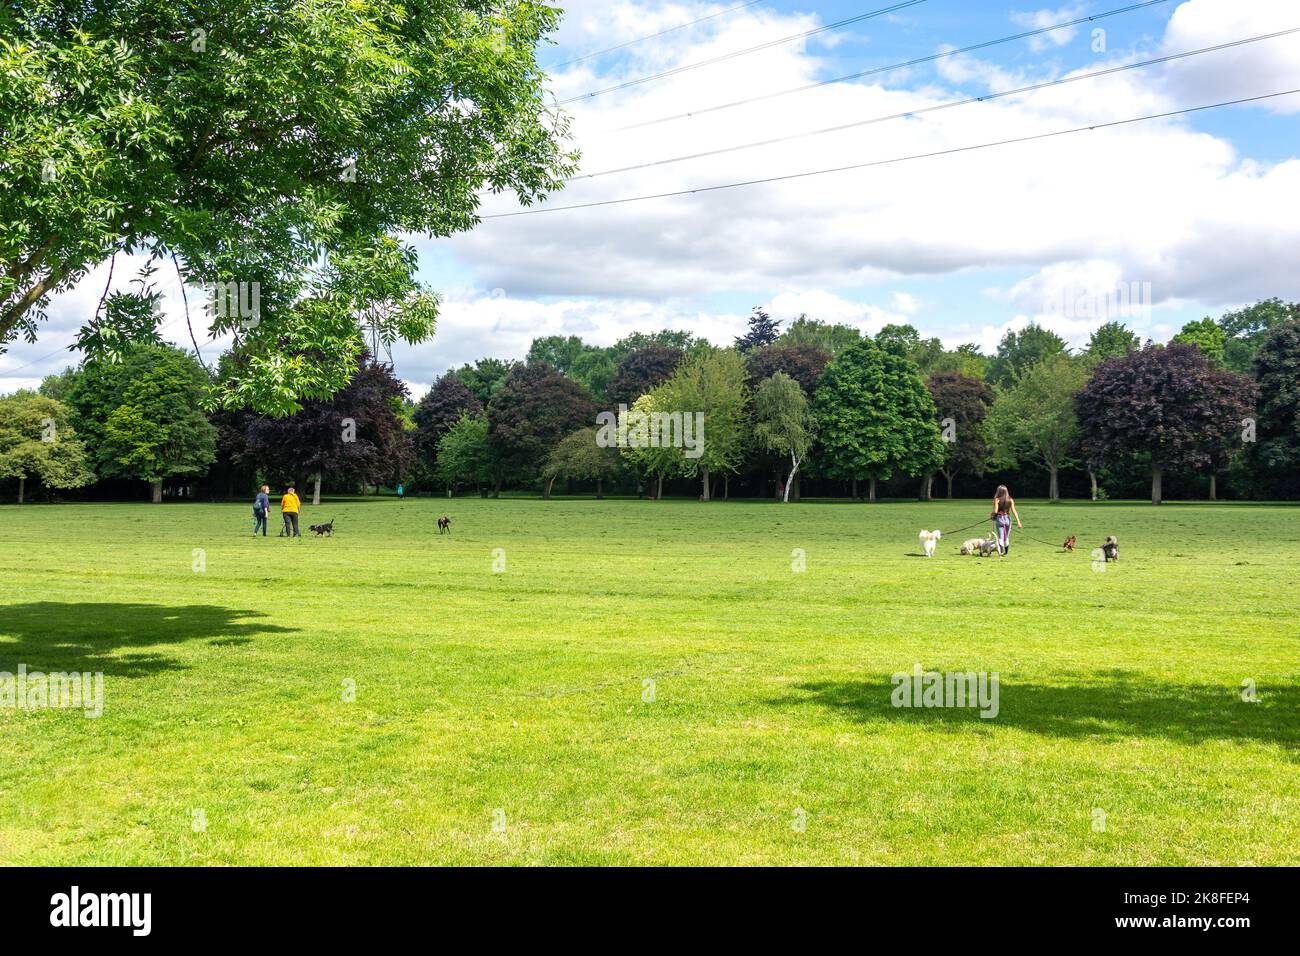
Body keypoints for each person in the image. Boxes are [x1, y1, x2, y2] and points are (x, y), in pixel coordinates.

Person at [990, 484, 1022, 556]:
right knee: (1006, 536)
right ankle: (1006, 552)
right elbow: (1014, 511)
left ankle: (1001, 552)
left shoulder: (997, 500)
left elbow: (995, 511)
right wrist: (1018, 522)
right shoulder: (1010, 500)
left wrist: (992, 515)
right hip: (1007, 519)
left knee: (1000, 537)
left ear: (998, 491)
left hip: (999, 519)